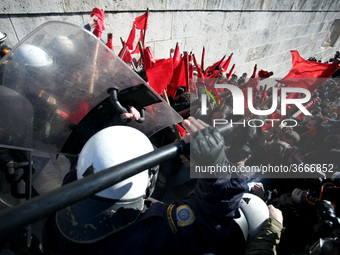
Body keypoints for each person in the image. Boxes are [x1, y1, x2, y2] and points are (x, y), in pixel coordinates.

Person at [42, 117, 247, 255]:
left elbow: (95, 159)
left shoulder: (66, 198)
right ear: (148, 181)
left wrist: (115, 130)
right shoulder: (151, 235)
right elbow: (208, 225)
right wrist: (217, 167)